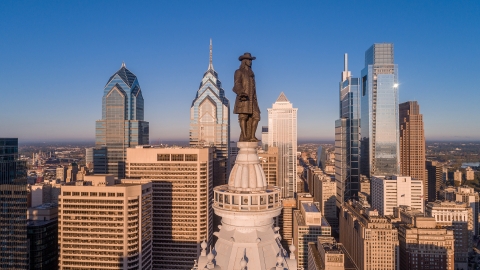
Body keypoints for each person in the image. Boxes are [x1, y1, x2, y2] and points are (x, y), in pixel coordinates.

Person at [233, 52, 260, 142]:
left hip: (253, 99)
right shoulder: (239, 72)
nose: (250, 62)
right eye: (249, 60)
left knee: (256, 116)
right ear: (244, 61)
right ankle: (244, 136)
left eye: (251, 60)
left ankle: (252, 136)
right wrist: (241, 92)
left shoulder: (251, 74)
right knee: (243, 117)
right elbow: (237, 84)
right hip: (243, 98)